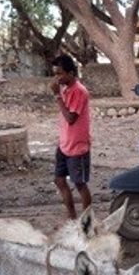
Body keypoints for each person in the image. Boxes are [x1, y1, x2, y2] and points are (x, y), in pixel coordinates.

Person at [51, 55, 92, 219]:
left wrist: (57, 96)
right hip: (64, 144)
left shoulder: (79, 91)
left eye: (60, 74)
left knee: (80, 184)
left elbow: (71, 118)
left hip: (77, 146)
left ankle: (87, 219)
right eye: (55, 74)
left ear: (71, 73)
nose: (57, 78)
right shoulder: (65, 89)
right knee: (59, 180)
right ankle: (72, 217)